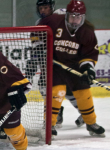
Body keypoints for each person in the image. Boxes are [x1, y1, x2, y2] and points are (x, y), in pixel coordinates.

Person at [37, 0, 105, 137]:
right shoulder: (54, 21)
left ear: (83, 17)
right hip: (56, 64)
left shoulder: (87, 30)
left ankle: (91, 123)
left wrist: (87, 69)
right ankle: (49, 125)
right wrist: (40, 48)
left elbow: (89, 53)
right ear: (66, 14)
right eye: (72, 16)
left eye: (78, 17)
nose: (75, 20)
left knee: (84, 92)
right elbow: (38, 30)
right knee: (57, 92)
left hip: (75, 66)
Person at [29, 0, 84, 129]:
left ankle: (84, 113)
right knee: (44, 86)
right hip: (51, 65)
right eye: (41, 8)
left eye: (46, 8)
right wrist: (38, 56)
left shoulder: (62, 15)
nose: (43, 10)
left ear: (52, 7)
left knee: (70, 90)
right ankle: (54, 115)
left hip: (67, 61)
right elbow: (36, 48)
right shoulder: (39, 24)